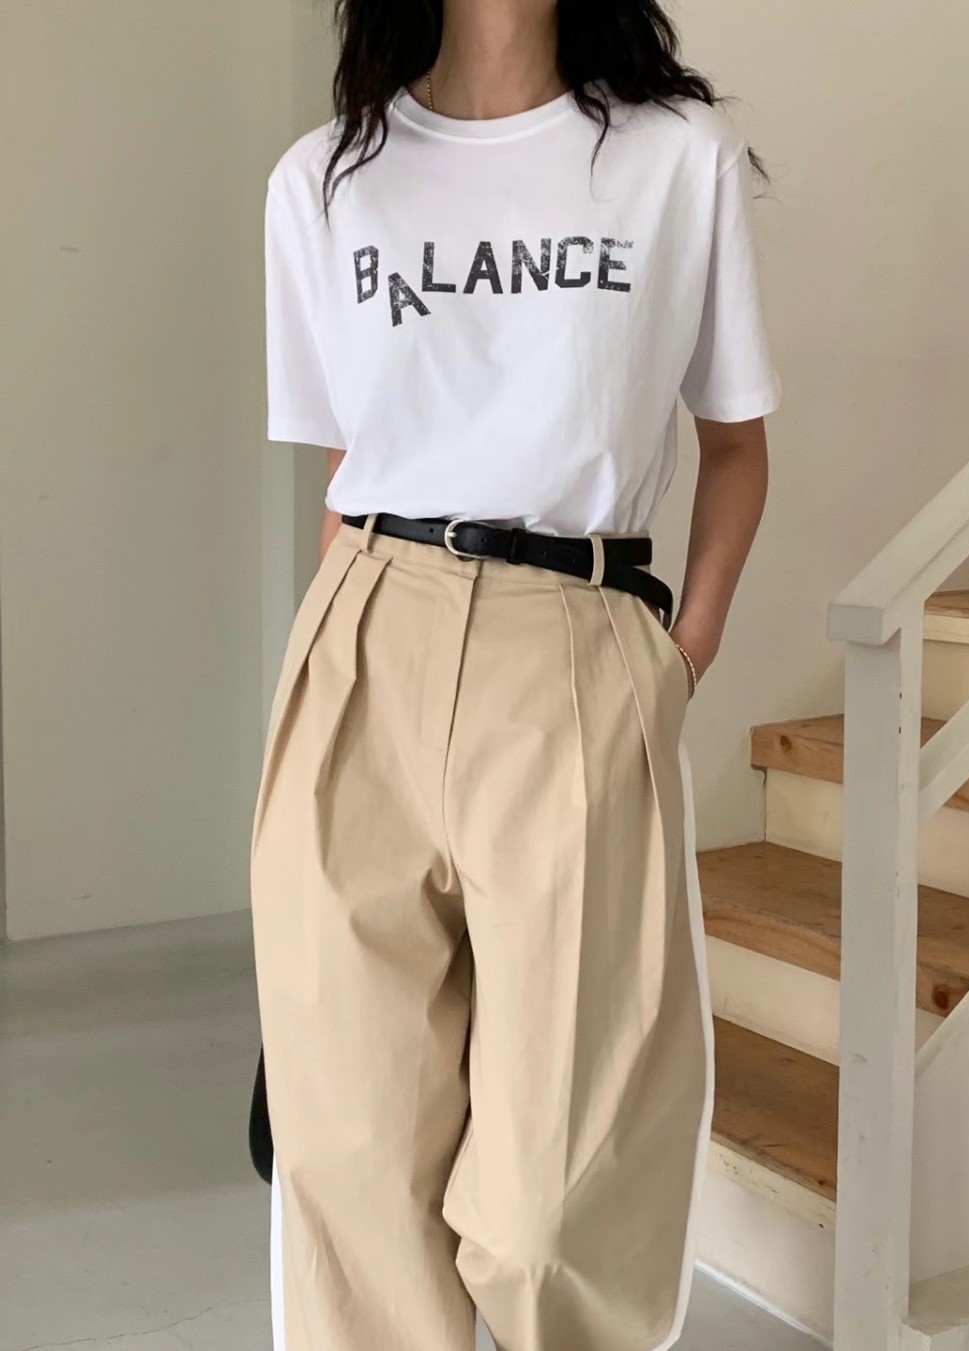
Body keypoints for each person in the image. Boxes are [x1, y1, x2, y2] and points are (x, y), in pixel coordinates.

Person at [250, 1, 782, 1347]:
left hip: (576, 644)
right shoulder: (324, 180)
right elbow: (349, 468)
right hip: (366, 632)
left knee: (553, 1210)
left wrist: (680, 657)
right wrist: (324, 676)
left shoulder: (677, 159)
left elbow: (734, 447)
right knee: (353, 1160)